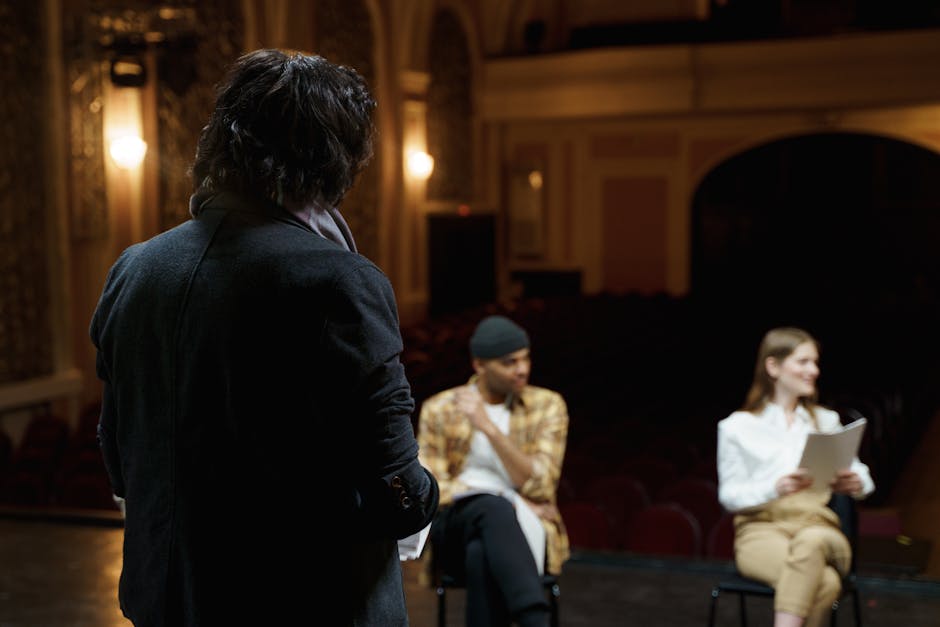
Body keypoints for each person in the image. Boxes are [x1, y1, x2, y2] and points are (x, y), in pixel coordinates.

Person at [90, 49, 438, 627]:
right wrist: (427, 494)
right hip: (305, 603)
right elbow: (396, 492)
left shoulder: (134, 267)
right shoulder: (341, 280)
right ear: (337, 161)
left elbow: (120, 463)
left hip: (170, 600)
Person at [417, 315, 570, 627]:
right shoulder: (441, 408)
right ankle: (533, 617)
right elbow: (430, 489)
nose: (523, 369)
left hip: (522, 529)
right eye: (509, 362)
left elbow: (542, 485)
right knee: (492, 507)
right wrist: (507, 497)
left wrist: (489, 428)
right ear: (479, 365)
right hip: (456, 523)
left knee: (481, 554)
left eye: (526, 359)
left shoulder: (548, 405)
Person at [717, 327, 875, 627]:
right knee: (825, 583)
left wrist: (858, 483)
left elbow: (863, 477)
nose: (813, 371)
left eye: (815, 363)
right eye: (803, 362)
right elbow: (729, 496)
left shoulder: (826, 421)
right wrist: (774, 488)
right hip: (761, 532)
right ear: (773, 366)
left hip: (820, 529)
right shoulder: (737, 427)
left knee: (812, 542)